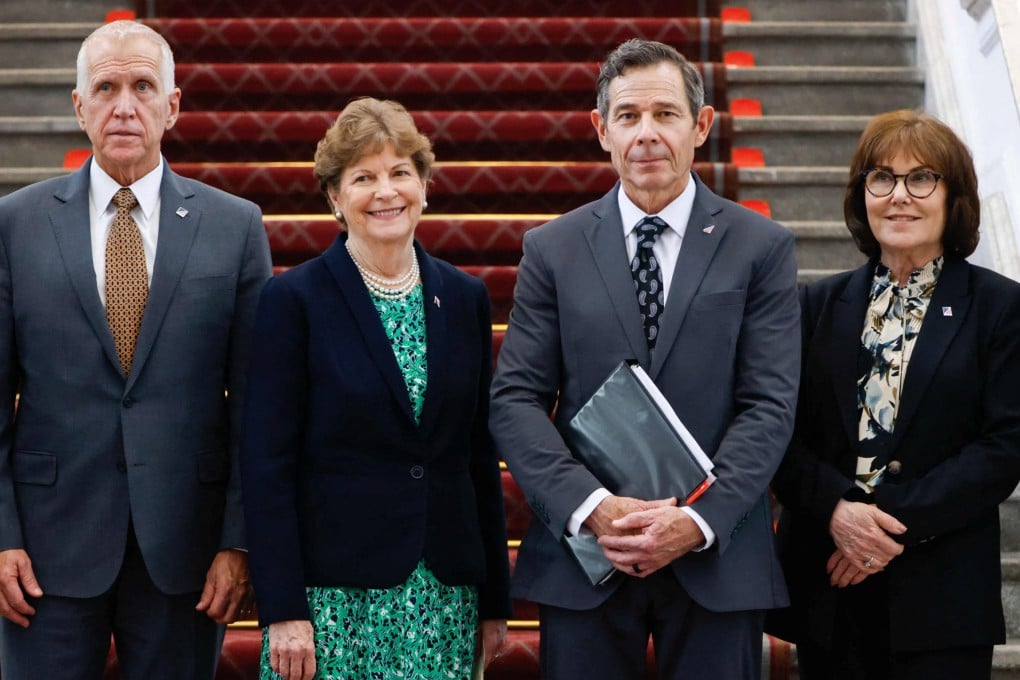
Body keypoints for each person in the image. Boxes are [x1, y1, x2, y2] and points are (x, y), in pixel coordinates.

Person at [488, 38, 801, 679]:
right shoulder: (553, 248)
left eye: (666, 114)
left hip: (717, 556)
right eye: (628, 117)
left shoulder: (761, 247)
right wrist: (592, 506)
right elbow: (515, 399)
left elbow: (769, 404)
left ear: (702, 125)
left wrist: (697, 519)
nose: (647, 134)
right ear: (603, 130)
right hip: (588, 557)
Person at [0, 20, 272, 680]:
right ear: (79, 106)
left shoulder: (235, 227)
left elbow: (258, 409)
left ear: (172, 106)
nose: (125, 105)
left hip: (185, 551)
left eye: (144, 86)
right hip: (44, 552)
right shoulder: (14, 224)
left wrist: (237, 539)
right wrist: (1, 535)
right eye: (107, 87)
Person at [240, 97, 512, 680]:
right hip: (332, 603)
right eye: (363, 177)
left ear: (424, 186)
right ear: (335, 198)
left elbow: (478, 458)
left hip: (443, 597)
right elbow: (267, 467)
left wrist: (494, 603)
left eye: (400, 173)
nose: (385, 191)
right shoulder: (294, 301)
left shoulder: (464, 298)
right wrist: (283, 608)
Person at [767, 109, 1020, 679]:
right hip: (829, 590)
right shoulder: (815, 305)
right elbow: (776, 430)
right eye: (881, 178)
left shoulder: (1001, 308)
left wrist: (879, 525)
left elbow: (1005, 445)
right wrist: (836, 510)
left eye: (921, 178)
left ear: (954, 197)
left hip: (942, 596)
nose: (899, 195)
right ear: (863, 195)